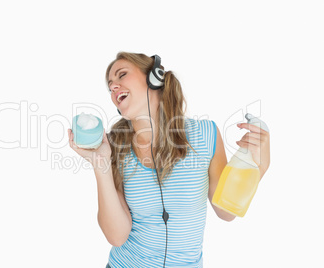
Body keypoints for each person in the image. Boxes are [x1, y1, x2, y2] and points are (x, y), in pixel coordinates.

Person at [67, 52, 271, 268]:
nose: (114, 87)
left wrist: (260, 164)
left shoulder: (205, 135)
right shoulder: (115, 147)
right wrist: (101, 166)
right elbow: (117, 237)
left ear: (154, 78)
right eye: (110, 86)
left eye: (122, 75)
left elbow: (227, 212)